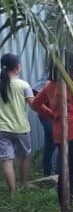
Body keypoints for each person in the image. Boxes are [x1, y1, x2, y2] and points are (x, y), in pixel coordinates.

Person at [31, 55, 73, 205]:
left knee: (65, 170)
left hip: (59, 131)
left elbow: (35, 104)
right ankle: (68, 203)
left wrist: (53, 115)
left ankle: (64, 204)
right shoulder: (71, 85)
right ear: (71, 67)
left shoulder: (50, 85)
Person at [0, 53, 34, 192]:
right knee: (25, 156)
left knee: (7, 160)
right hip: (21, 128)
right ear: (17, 68)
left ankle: (13, 192)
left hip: (1, 128)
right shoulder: (23, 85)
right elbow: (33, 104)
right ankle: (24, 183)